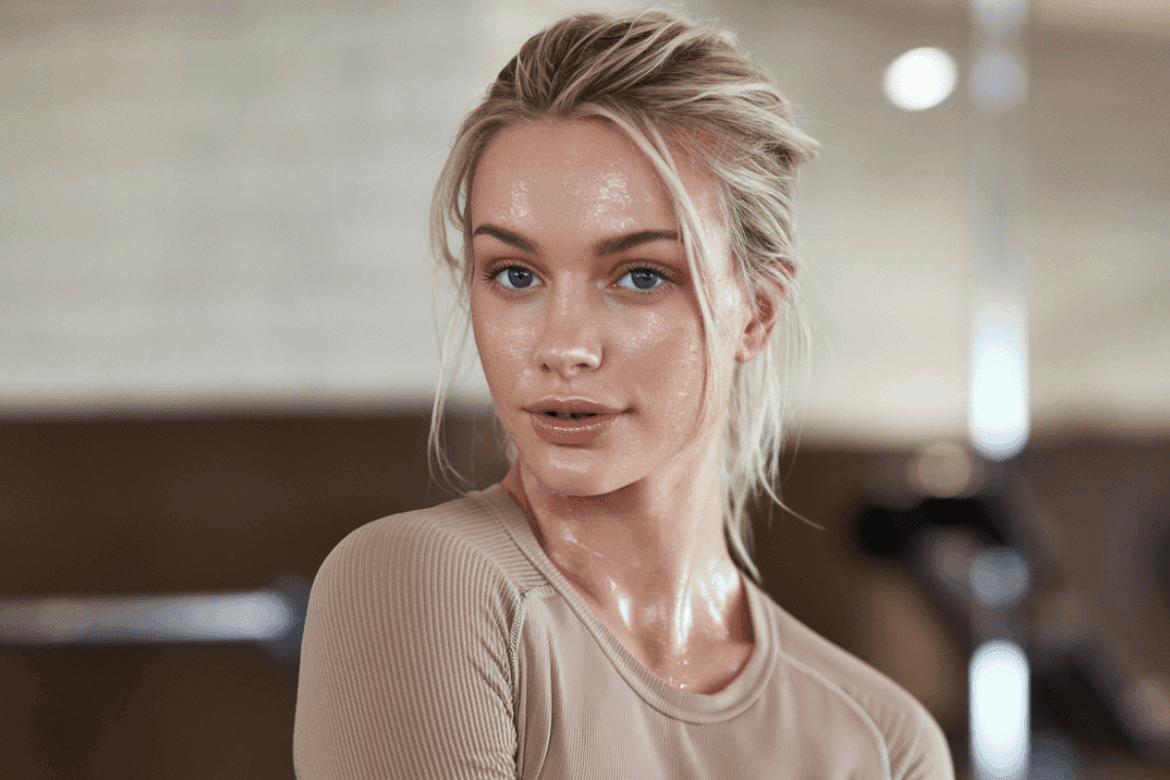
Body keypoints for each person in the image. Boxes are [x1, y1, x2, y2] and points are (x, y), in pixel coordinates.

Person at [294, 8, 955, 779]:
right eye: (515, 275)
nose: (562, 346)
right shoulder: (420, 583)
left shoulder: (884, 742)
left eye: (641, 275)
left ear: (757, 313)